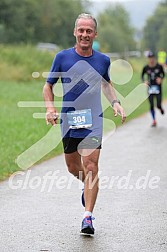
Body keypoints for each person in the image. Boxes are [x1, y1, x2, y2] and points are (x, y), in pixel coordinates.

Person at [43, 13, 126, 235]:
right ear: (75, 32)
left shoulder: (102, 60)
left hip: (93, 120)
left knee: (91, 165)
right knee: (73, 167)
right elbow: (47, 86)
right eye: (81, 30)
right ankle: (88, 186)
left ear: (95, 34)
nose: (84, 34)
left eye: (89, 31)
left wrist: (115, 102)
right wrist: (50, 108)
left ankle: (87, 217)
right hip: (69, 119)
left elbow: (106, 84)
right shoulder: (62, 57)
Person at [141, 51, 165, 127]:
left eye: (152, 58)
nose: (151, 60)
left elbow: (163, 74)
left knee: (158, 105)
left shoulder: (159, 66)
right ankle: (154, 120)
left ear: (154, 58)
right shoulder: (146, 67)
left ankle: (160, 108)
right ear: (148, 59)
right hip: (150, 89)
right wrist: (144, 81)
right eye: (149, 58)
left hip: (158, 89)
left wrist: (161, 79)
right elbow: (142, 76)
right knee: (151, 105)